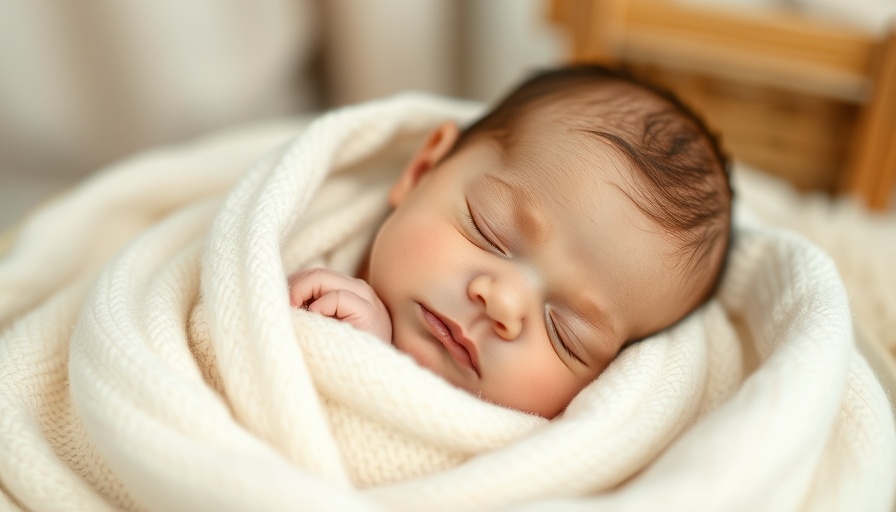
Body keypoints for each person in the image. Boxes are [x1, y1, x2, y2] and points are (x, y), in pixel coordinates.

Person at [289, 64, 732, 419]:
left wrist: (367, 362)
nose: (502, 303)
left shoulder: (544, 450)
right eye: (489, 231)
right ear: (424, 169)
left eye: (567, 333)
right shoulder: (303, 223)